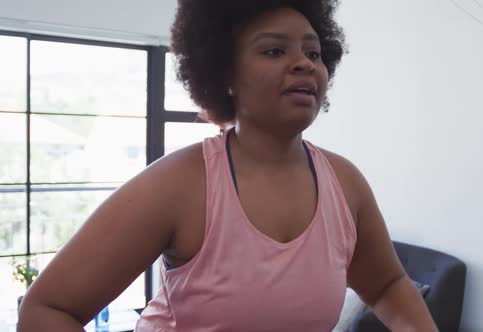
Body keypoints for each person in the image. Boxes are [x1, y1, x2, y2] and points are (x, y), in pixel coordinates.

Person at [18, 0, 438, 331]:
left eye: (314, 52)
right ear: (226, 74)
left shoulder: (346, 184)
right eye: (275, 50)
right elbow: (47, 310)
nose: (304, 63)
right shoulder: (180, 185)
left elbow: (387, 286)